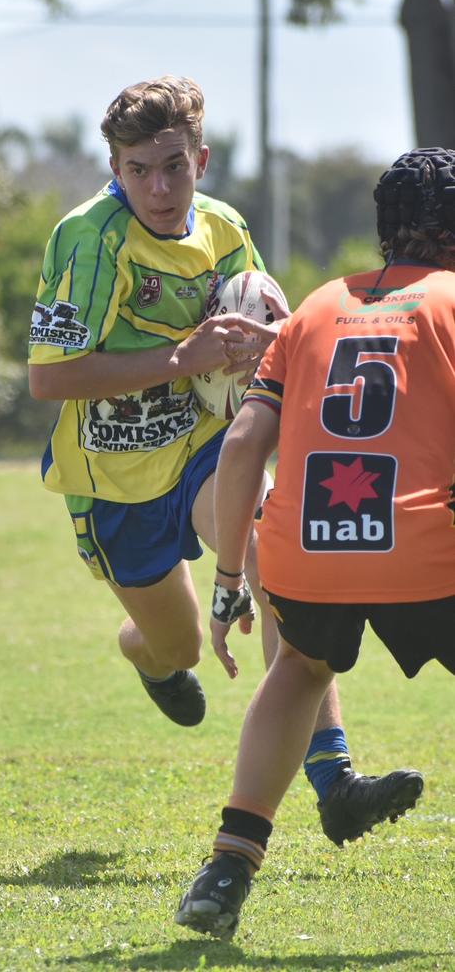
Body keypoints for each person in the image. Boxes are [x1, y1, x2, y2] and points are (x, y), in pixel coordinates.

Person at [28, 75, 417, 845]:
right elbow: (49, 378)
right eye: (138, 170)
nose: (159, 187)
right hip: (111, 481)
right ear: (115, 169)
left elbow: (259, 334)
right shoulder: (87, 240)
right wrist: (182, 357)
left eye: (174, 165)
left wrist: (269, 348)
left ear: (200, 157)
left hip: (207, 447)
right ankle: (148, 657)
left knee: (278, 564)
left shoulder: (226, 229)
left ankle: (335, 780)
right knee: (172, 644)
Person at [175, 146, 455, 941]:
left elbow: (240, 449)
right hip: (424, 541)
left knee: (298, 668)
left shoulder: (316, 308)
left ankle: (228, 868)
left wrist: (231, 580)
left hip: (308, 545)